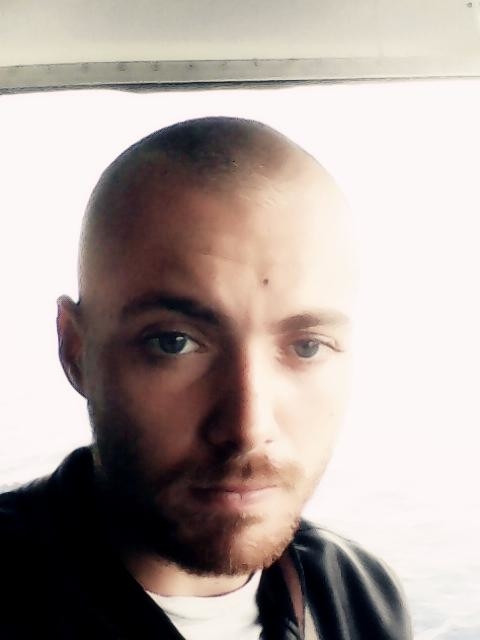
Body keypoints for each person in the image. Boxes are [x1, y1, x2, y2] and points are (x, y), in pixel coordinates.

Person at [0, 117, 412, 639]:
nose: (247, 427)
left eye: (307, 346)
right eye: (174, 342)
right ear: (75, 351)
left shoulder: (361, 596)